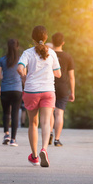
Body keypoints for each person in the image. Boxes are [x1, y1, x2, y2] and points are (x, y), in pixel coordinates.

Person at [17, 26, 61, 167]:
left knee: (33, 124)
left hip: (32, 91)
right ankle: (44, 149)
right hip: (48, 90)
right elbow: (58, 73)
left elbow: (20, 68)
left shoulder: (27, 53)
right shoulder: (52, 53)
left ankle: (35, 156)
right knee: (46, 122)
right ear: (46, 37)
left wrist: (24, 76)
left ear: (33, 38)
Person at [0, 39, 22, 146]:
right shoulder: (20, 60)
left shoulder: (2, 60)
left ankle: (6, 134)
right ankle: (13, 140)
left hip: (5, 89)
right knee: (15, 114)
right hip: (17, 90)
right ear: (17, 47)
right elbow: (23, 74)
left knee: (6, 112)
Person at [50, 32, 75, 147]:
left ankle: (49, 133)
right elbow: (71, 77)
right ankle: (57, 139)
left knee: (49, 112)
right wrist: (72, 92)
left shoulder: (48, 54)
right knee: (59, 113)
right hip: (63, 88)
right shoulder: (68, 57)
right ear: (63, 43)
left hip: (49, 86)